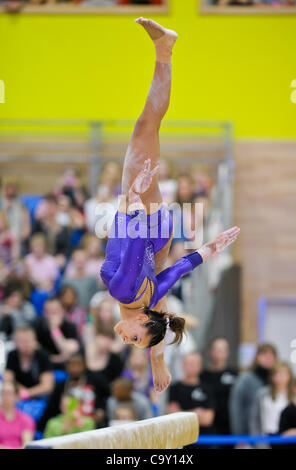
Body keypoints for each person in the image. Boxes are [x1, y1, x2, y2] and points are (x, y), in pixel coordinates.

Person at [100, 17, 240, 395]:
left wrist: (212, 249)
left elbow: (178, 267)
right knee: (147, 125)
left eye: (130, 342)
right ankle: (165, 49)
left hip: (157, 236)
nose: (125, 339)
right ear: (144, 319)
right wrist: (135, 197)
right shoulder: (125, 294)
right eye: (134, 338)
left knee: (148, 127)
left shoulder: (141, 302)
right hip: (145, 226)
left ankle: (164, 49)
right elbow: (129, 240)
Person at [38, 353, 110, 432]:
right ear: (66, 367)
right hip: (66, 422)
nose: (75, 368)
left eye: (78, 364)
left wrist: (101, 411)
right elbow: (50, 410)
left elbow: (106, 397)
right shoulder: (61, 386)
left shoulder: (96, 381)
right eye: (71, 365)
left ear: (84, 365)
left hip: (90, 422)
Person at [229, 343, 277, 437]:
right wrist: (239, 434)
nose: (268, 359)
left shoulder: (277, 380)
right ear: (257, 357)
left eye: (271, 356)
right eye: (264, 355)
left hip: (274, 433)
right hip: (249, 434)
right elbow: (236, 407)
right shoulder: (245, 379)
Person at [167, 352, 215, 434]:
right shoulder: (174, 388)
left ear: (200, 366)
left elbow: (207, 419)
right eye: (188, 364)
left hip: (203, 438)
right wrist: (196, 413)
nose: (191, 367)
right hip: (181, 435)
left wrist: (181, 413)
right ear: (183, 365)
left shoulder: (207, 389)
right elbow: (172, 416)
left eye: (194, 364)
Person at [4, 327, 54, 399]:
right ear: (15, 342)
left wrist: (26, 393)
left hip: (39, 397)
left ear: (35, 341)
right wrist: (20, 389)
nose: (26, 344)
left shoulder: (43, 356)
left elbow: (47, 386)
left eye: (28, 340)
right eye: (22, 341)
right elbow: (7, 379)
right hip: (17, 395)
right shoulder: (12, 355)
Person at [200, 337, 237, 435]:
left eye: (221, 350)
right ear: (210, 352)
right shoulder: (201, 376)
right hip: (206, 426)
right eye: (215, 350)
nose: (218, 353)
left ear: (227, 353)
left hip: (229, 425)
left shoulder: (234, 375)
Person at [33, 297, 80, 369]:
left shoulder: (70, 326)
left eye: (56, 311)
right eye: (49, 311)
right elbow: (34, 349)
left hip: (66, 365)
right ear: (44, 313)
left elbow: (71, 349)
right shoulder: (37, 326)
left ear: (62, 311)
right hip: (43, 365)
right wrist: (54, 358)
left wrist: (54, 329)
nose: (53, 314)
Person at [250, 362, 293, 441]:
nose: (280, 378)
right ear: (272, 376)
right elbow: (255, 420)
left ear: (289, 376)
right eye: (277, 374)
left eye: (284, 374)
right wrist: (258, 441)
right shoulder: (263, 394)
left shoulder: (294, 395)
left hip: (289, 439)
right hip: (268, 437)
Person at [0, 381, 35, 449]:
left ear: (16, 396)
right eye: (2, 393)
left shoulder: (26, 419)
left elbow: (26, 444)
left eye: (8, 393)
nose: (5, 396)